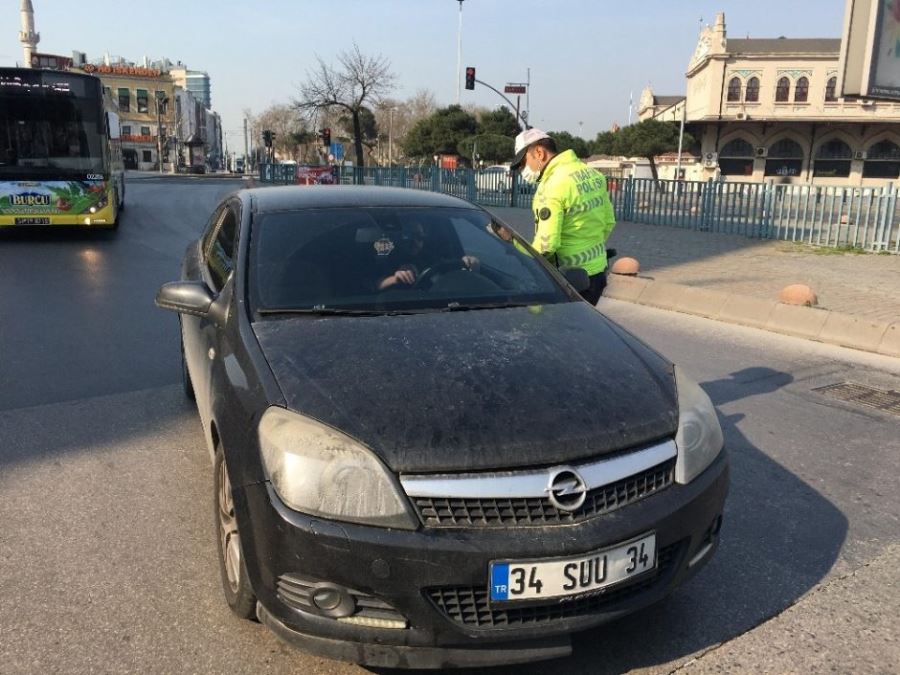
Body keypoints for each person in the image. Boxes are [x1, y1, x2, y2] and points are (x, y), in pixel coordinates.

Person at [510, 128, 616, 304]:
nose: (523, 169)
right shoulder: (593, 174)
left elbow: (546, 246)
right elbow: (609, 222)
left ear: (539, 152)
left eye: (523, 162)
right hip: (598, 272)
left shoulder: (552, 185)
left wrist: (513, 243)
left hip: (569, 280)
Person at [376, 221, 479, 290]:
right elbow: (375, 286)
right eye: (409, 237)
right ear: (400, 238)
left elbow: (450, 270)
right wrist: (394, 279)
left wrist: (469, 262)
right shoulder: (388, 256)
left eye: (420, 237)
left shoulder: (431, 256)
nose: (415, 242)